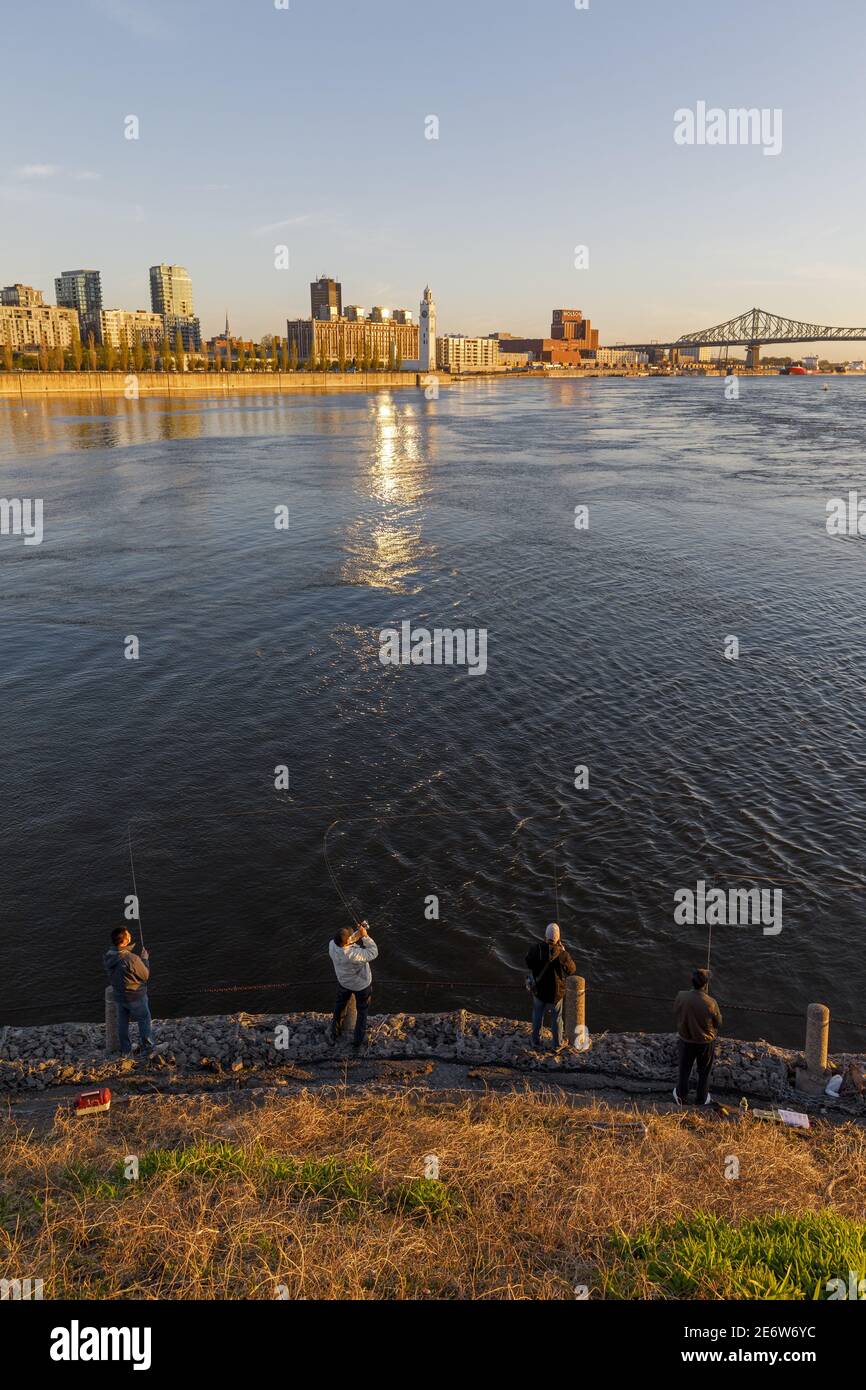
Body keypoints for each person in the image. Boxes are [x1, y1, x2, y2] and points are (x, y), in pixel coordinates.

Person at [673, 968, 722, 1105]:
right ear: (705, 984)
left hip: (685, 1041)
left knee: (684, 1070)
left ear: (692, 981)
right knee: (704, 1072)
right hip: (705, 1043)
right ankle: (701, 1099)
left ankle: (681, 1097)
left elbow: (676, 1011)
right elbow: (718, 1023)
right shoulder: (711, 1002)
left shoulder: (681, 996)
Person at [525, 922, 577, 1050]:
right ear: (558, 938)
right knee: (557, 1019)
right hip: (555, 994)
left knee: (537, 1015)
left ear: (545, 936)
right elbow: (572, 970)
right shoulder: (562, 954)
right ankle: (557, 1044)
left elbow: (528, 963)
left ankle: (536, 1041)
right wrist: (564, 952)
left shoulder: (536, 949)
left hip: (539, 991)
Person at [103, 926, 152, 1057]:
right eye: (128, 935)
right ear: (124, 941)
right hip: (135, 996)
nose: (130, 936)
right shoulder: (132, 958)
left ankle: (126, 1050)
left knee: (122, 1023)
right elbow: (145, 975)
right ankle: (148, 1049)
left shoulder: (108, 956)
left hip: (119, 996)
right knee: (144, 1019)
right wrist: (145, 959)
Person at [329, 920, 378, 1050]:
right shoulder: (354, 955)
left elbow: (345, 941)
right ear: (348, 941)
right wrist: (365, 936)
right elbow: (373, 952)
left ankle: (334, 1033)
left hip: (343, 983)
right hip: (361, 986)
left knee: (339, 1008)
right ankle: (357, 1041)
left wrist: (359, 933)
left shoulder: (332, 945)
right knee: (362, 1012)